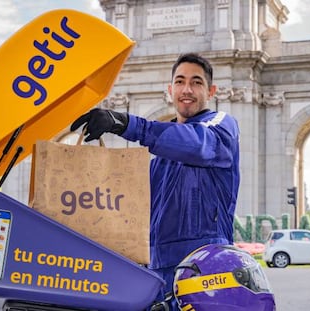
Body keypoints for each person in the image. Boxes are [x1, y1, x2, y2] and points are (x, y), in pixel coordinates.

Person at [70, 53, 240, 310]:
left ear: (211, 91)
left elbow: (196, 144)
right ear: (170, 90)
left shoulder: (220, 125)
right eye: (180, 82)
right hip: (157, 272)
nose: (187, 89)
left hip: (204, 267)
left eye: (196, 82)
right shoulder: (158, 159)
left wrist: (125, 123)